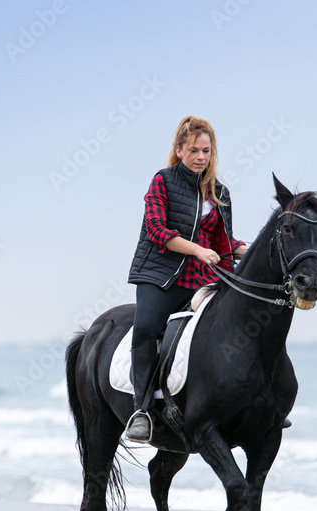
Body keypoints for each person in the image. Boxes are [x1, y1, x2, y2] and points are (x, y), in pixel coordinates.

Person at [125, 116, 248, 442]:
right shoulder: (162, 182)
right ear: (179, 151)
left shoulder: (219, 193)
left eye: (206, 151)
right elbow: (157, 230)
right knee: (148, 328)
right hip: (161, 275)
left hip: (204, 276)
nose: (200, 157)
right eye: (193, 150)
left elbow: (222, 245)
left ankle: (252, 404)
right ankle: (141, 410)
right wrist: (196, 249)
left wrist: (248, 251)